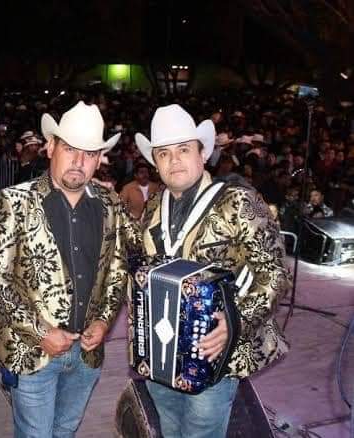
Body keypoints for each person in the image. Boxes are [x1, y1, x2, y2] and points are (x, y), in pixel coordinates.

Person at [0, 101, 140, 437]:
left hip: (87, 354)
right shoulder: (14, 201)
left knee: (65, 431)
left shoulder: (110, 204)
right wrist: (42, 332)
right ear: (51, 147)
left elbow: (116, 269)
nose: (79, 161)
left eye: (89, 153)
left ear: (100, 159)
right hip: (33, 351)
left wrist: (104, 321)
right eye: (70, 149)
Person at [134, 104, 290, 438]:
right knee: (169, 427)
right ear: (155, 163)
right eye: (164, 153)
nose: (174, 160)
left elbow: (275, 272)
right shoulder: (152, 207)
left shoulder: (238, 201)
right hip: (161, 352)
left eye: (183, 149)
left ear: (202, 154)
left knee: (201, 432)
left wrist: (234, 322)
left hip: (216, 352)